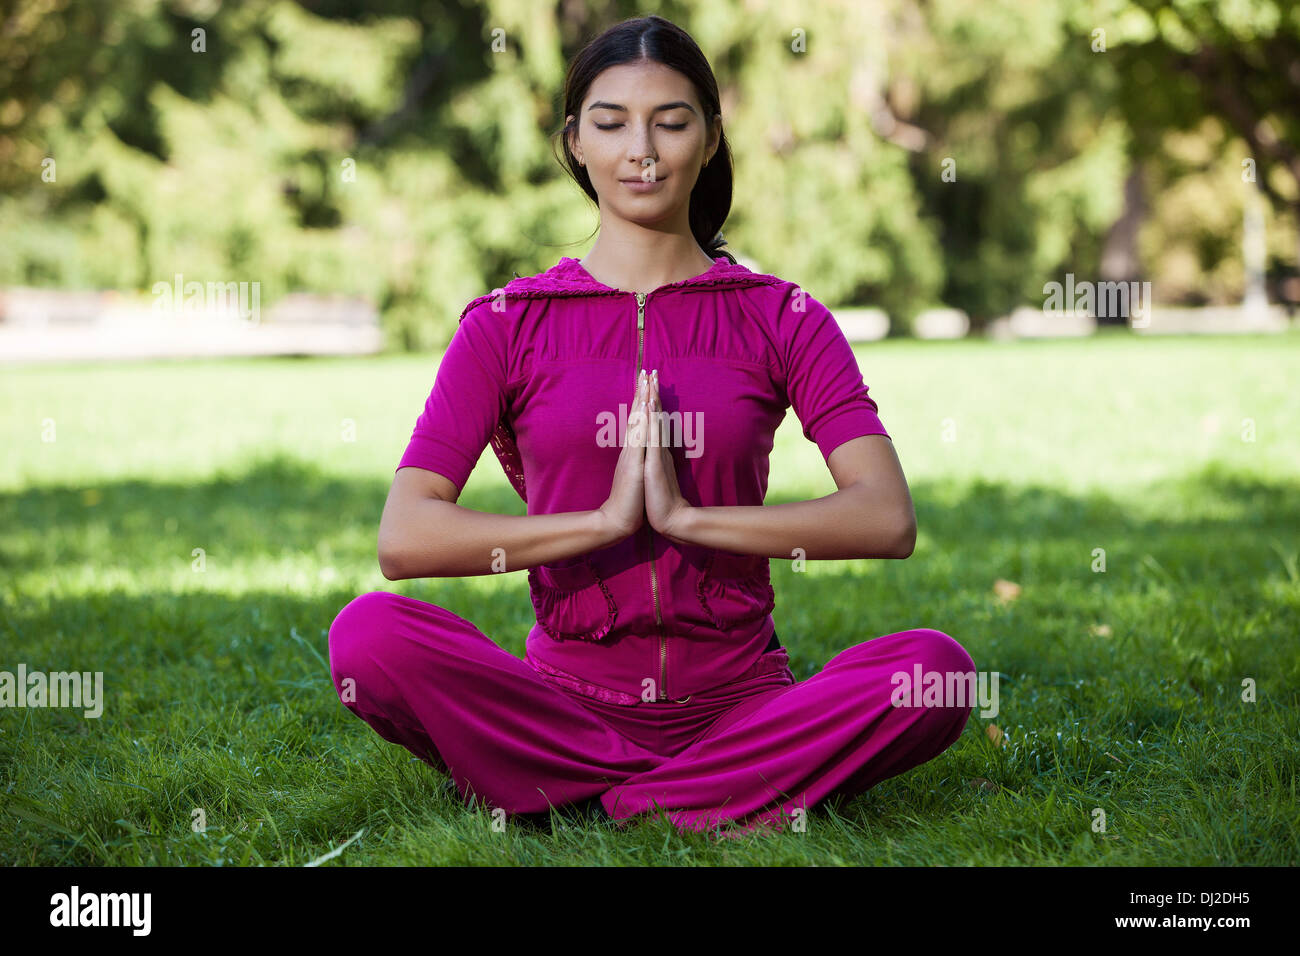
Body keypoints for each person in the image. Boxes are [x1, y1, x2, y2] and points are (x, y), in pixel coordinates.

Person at [328, 14, 976, 837]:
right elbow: (406, 536)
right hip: (566, 711)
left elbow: (886, 517)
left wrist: (688, 519)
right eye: (611, 123)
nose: (643, 149)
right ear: (575, 143)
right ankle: (706, 798)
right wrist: (601, 522)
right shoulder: (505, 322)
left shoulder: (783, 316)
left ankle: (605, 802)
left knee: (935, 672)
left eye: (672, 123)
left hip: (741, 708)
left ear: (709, 140)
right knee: (368, 636)